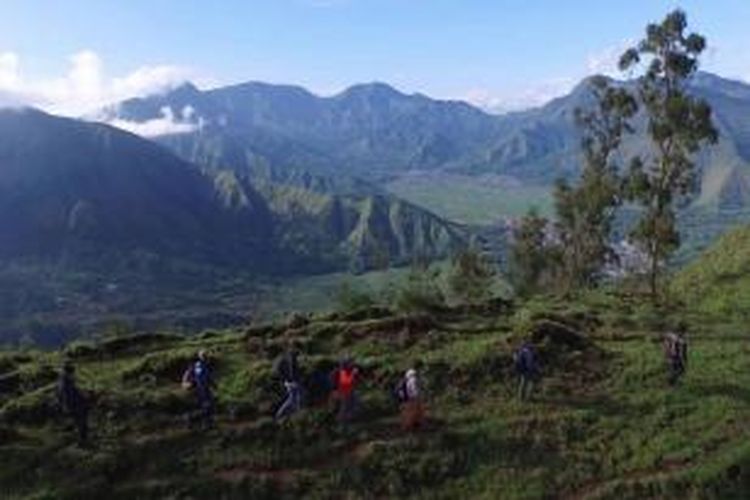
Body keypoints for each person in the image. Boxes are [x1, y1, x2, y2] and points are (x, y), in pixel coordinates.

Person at [57, 362, 90, 446]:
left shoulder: (64, 381)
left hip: (76, 404)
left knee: (80, 423)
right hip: (75, 405)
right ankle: (82, 441)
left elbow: (64, 394)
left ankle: (81, 439)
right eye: (72, 373)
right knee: (81, 423)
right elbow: (67, 395)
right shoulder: (66, 383)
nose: (74, 375)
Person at [182, 350, 216, 430]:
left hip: (205, 389)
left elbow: (208, 378)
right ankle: (191, 421)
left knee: (209, 406)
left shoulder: (205, 366)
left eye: (206, 355)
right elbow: (196, 377)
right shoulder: (197, 366)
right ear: (200, 357)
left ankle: (207, 423)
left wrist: (214, 385)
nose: (205, 357)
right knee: (205, 406)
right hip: (200, 390)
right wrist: (185, 383)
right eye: (204, 356)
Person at [274, 345, 303, 421]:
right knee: (293, 399)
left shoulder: (286, 357)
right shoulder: (292, 358)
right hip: (292, 382)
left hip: (288, 381)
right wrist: (295, 380)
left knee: (294, 399)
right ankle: (280, 414)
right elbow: (293, 370)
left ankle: (293, 415)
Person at [331, 357, 359, 423]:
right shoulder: (339, 372)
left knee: (351, 407)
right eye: (349, 363)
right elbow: (342, 382)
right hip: (342, 393)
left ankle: (349, 420)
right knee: (343, 408)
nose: (351, 365)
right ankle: (340, 422)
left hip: (350, 392)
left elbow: (354, 382)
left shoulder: (352, 372)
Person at [397, 365, 425, 431]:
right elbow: (414, 390)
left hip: (406, 399)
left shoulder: (406, 380)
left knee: (408, 412)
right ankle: (411, 426)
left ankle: (410, 425)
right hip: (412, 398)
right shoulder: (413, 380)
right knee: (412, 412)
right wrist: (417, 397)